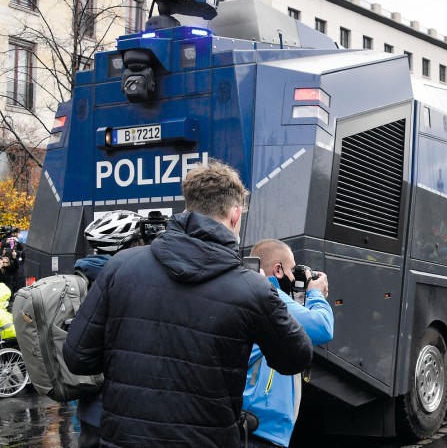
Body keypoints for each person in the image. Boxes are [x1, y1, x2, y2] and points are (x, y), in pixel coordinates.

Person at [64, 161, 313, 447]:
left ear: (186, 210)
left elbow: (78, 357)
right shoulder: (251, 288)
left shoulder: (119, 266)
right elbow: (295, 358)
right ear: (234, 216)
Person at [243, 239, 334, 448]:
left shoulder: (252, 292)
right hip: (259, 426)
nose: (294, 277)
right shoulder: (271, 298)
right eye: (292, 270)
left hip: (254, 423)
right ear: (278, 270)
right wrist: (316, 294)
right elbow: (322, 327)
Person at [72, 210, 147, 448]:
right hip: (120, 410)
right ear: (131, 243)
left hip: (89, 409)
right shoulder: (125, 283)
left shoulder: (83, 278)